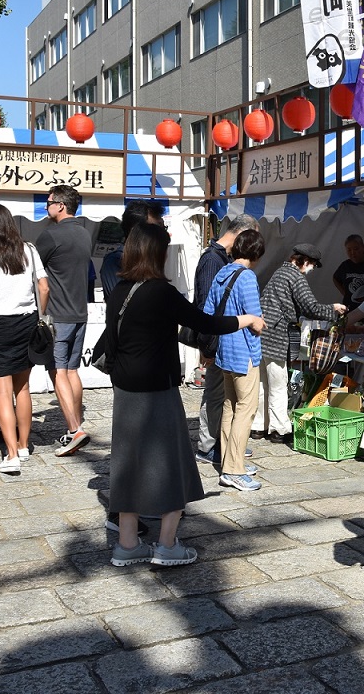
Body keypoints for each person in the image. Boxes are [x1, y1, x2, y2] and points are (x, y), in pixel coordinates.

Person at [105, 222, 265, 567]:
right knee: (175, 464)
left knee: (128, 466)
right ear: (158, 253)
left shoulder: (120, 289)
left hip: (125, 391)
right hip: (158, 391)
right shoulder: (162, 292)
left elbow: (114, 342)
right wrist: (246, 318)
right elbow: (207, 323)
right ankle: (167, 544)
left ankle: (128, 544)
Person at [0, 204, 50, 475]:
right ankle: (24, 445)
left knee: (2, 392)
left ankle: (12, 454)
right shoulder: (28, 249)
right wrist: (41, 313)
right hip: (26, 321)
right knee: (23, 388)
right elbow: (44, 286)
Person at [255, 243, 346, 442]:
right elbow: (310, 307)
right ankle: (279, 430)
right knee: (278, 383)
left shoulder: (280, 272)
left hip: (261, 334)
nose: (312, 268)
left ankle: (258, 426)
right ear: (303, 261)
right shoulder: (296, 277)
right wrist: (333, 308)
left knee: (263, 382)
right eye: (312, 264)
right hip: (277, 335)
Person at [190, 214, 259, 462]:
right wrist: (207, 343)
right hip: (220, 339)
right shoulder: (212, 260)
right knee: (218, 395)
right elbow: (207, 306)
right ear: (241, 235)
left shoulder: (223, 260)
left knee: (226, 399)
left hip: (223, 338)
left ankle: (226, 444)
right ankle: (208, 445)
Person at [205, 229, 266, 491]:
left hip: (223, 353)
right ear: (256, 253)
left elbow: (208, 312)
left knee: (230, 407)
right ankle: (233, 469)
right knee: (245, 410)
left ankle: (230, 459)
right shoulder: (248, 278)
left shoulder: (222, 272)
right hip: (245, 354)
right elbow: (256, 322)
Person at [36, 184, 93, 456]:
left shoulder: (50, 235)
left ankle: (74, 429)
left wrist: (40, 312)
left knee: (58, 370)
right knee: (71, 371)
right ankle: (77, 425)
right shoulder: (84, 234)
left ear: (60, 205)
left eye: (48, 202)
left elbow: (35, 273)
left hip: (58, 314)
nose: (46, 207)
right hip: (80, 311)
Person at [100, 200, 165, 298]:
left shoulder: (153, 261)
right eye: (155, 229)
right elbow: (123, 304)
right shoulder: (115, 261)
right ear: (134, 231)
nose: (162, 234)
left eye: (163, 228)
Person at [332, 233, 364, 311]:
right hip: (351, 308)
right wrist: (346, 294)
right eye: (349, 250)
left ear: (363, 247)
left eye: (356, 249)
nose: (352, 253)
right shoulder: (345, 265)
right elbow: (335, 278)